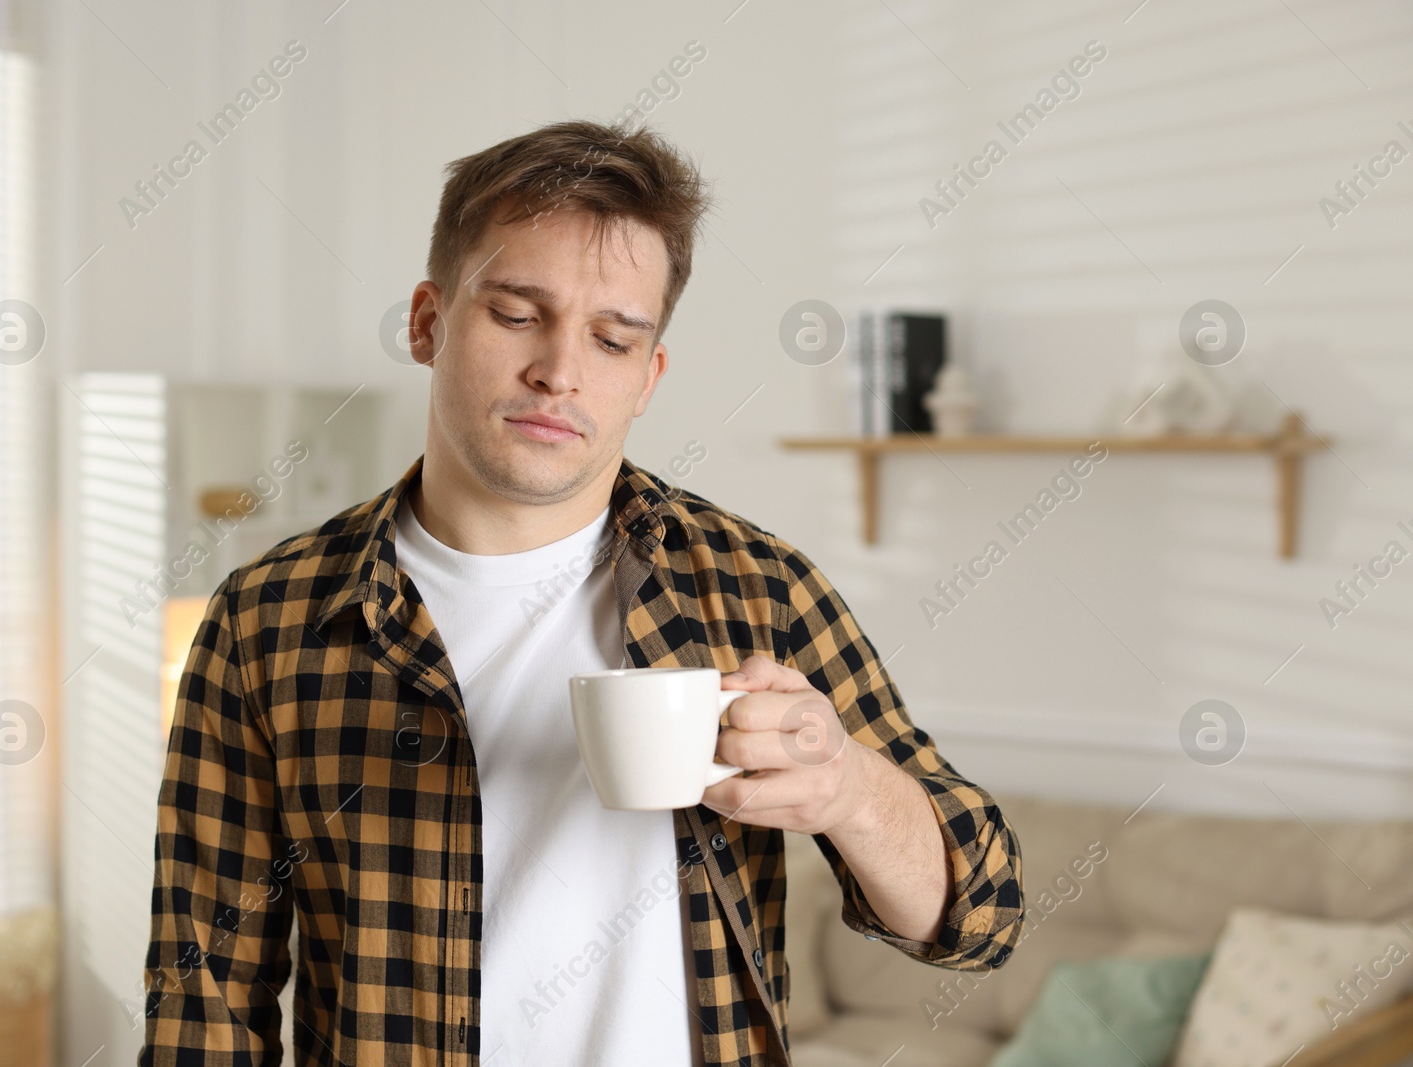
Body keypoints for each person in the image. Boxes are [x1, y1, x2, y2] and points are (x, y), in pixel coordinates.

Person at [138, 118, 1024, 1067]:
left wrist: (847, 788)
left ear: (649, 376)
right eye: (518, 315)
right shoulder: (268, 619)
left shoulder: (757, 589)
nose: (558, 372)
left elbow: (983, 914)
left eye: (612, 339)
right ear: (428, 322)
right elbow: (202, 1002)